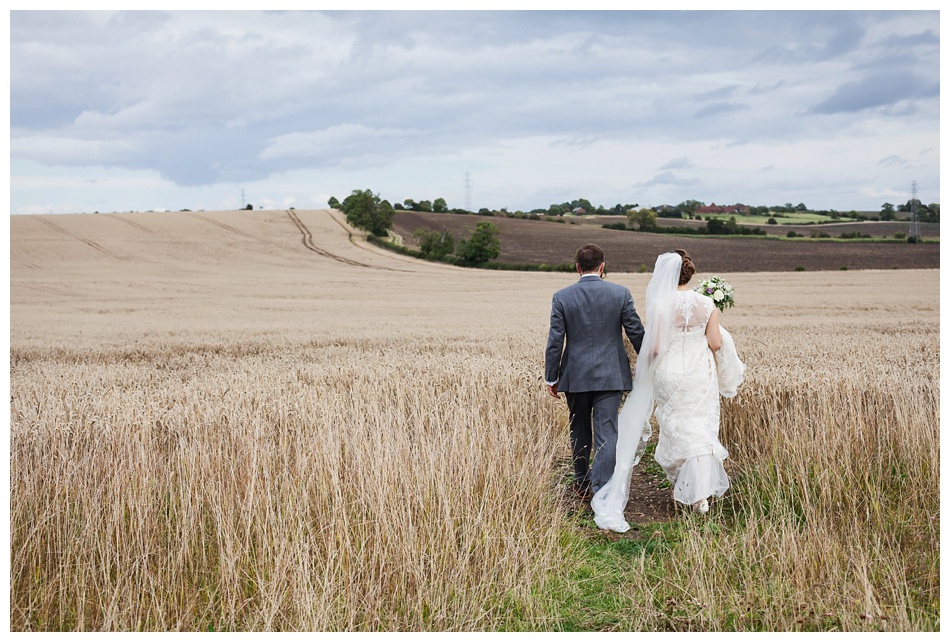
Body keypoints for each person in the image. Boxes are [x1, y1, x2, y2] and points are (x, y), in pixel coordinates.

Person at [592, 250, 744, 532]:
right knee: (700, 429)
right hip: (699, 373)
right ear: (691, 275)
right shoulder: (708, 303)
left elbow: (658, 347)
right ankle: (699, 495)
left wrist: (644, 370)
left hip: (669, 374)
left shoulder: (662, 305)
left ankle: (686, 485)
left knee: (676, 427)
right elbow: (715, 343)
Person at [545, 243, 645, 501]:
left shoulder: (562, 296)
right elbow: (635, 332)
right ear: (602, 267)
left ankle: (581, 483)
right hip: (611, 375)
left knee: (578, 428)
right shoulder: (620, 293)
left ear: (577, 267)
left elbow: (556, 340)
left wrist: (552, 376)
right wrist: (648, 364)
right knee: (607, 432)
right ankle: (602, 491)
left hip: (575, 375)